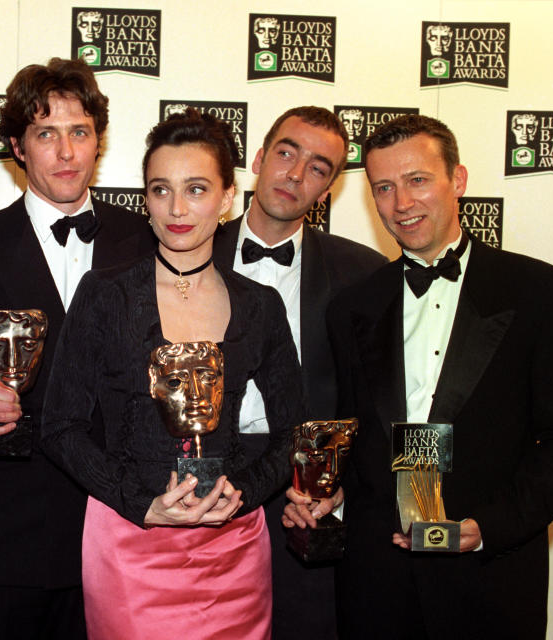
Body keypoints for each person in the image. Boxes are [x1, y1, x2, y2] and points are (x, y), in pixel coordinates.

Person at [284, 114, 553, 638]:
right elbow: (354, 433)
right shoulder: (351, 307)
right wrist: (332, 492)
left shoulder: (543, 296)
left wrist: (490, 528)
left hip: (489, 579)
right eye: (383, 188)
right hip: (375, 581)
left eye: (417, 180)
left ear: (458, 180)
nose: (401, 204)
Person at [41, 108, 307, 640]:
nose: (177, 209)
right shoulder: (103, 295)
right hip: (129, 544)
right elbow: (60, 427)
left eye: (196, 189)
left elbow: (294, 432)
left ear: (228, 198)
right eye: (161, 190)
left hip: (232, 550)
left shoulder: (260, 305)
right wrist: (142, 506)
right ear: (146, 200)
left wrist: (244, 494)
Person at [0, 57, 154, 639]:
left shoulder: (146, 243)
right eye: (46, 133)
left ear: (98, 141)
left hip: (119, 526)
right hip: (4, 533)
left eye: (79, 131)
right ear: (17, 146)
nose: (67, 152)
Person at [212, 105, 384, 639]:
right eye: (286, 153)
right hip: (203, 486)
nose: (295, 173)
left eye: (318, 167)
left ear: (328, 188)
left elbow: (372, 402)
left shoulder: (362, 274)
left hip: (304, 500)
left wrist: (339, 488)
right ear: (260, 159)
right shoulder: (184, 250)